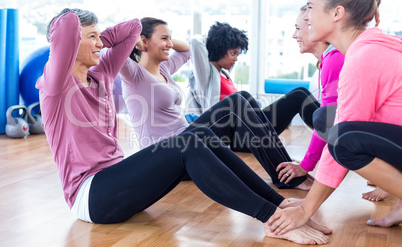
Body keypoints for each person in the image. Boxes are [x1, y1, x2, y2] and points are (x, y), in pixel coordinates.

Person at [36, 8, 330, 245]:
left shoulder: (101, 75)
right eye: (92, 37)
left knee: (199, 134)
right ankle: (272, 220)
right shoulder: (55, 84)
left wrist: (101, 34)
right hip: (91, 196)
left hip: (117, 184)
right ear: (70, 42)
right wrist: (80, 29)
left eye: (101, 37)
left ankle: (280, 206)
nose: (101, 44)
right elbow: (65, 25)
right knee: (188, 142)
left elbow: (133, 29)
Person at [266, 0, 402, 236]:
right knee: (325, 118)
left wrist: (306, 209)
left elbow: (342, 138)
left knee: (344, 138)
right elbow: (338, 124)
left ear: (337, 13)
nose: (306, 17)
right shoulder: (366, 48)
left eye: (310, 7)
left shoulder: (364, 57)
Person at [119, 18, 313, 190]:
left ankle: (287, 170)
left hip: (187, 142)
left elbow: (185, 49)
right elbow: (116, 49)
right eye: (164, 38)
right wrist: (134, 38)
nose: (169, 44)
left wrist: (165, 39)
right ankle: (287, 178)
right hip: (165, 156)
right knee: (237, 102)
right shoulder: (133, 75)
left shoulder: (164, 68)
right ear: (143, 41)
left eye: (170, 38)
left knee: (244, 97)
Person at [187, 21, 318, 135]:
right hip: (235, 134)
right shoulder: (205, 76)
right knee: (299, 97)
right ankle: (330, 132)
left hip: (247, 126)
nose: (235, 59)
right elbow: (195, 42)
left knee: (300, 92)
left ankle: (329, 128)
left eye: (237, 54)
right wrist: (208, 39)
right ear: (220, 50)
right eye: (233, 53)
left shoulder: (224, 74)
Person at [276, 6, 344, 185]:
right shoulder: (329, 59)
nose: (294, 35)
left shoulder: (335, 60)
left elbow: (328, 120)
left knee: (321, 116)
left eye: (298, 28)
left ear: (314, 28)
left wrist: (305, 166)